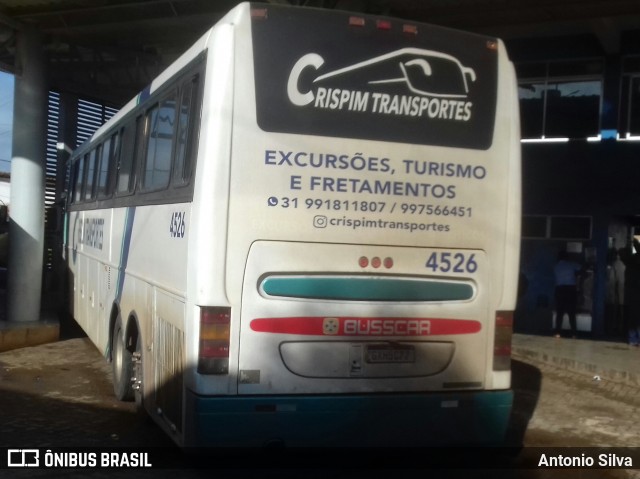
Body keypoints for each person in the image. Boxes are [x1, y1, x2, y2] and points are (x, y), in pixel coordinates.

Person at [553, 250, 581, 338]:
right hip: (570, 289)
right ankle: (574, 333)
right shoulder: (571, 264)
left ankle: (558, 332)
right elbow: (581, 268)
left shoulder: (556, 266)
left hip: (560, 289)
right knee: (571, 312)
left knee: (560, 312)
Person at [619, 239, 640, 346]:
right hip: (636, 292)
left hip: (630, 294)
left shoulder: (629, 264)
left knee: (632, 317)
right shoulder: (635, 262)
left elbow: (623, 254)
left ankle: (633, 339)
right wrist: (636, 243)